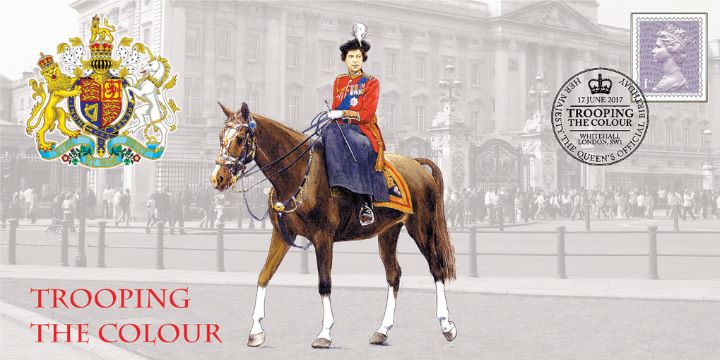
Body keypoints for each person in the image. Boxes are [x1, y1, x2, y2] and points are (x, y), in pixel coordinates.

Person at [322, 23, 388, 226]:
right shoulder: (339, 81)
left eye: (358, 57)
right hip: (340, 128)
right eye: (351, 57)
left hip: (362, 129)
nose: (355, 60)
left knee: (359, 146)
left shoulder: (371, 82)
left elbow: (367, 114)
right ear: (345, 59)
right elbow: (335, 110)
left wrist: (342, 113)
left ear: (363, 59)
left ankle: (365, 202)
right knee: (327, 133)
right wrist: (333, 115)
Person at [651, 24, 691, 92]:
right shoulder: (669, 78)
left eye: (658, 47)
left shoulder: (672, 82)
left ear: (671, 50)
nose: (653, 51)